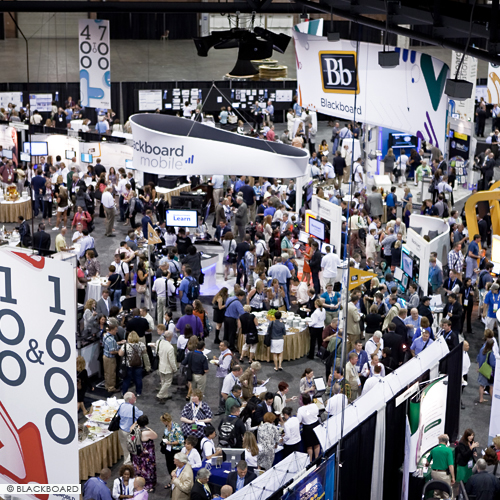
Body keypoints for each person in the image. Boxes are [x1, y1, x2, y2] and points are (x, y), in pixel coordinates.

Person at [130, 415, 158, 493]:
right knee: (147, 469)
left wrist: (136, 423)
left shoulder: (133, 429)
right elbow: (155, 435)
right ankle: (148, 486)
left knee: (138, 468)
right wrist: (148, 427)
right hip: (146, 456)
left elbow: (131, 428)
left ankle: (138, 484)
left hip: (136, 454)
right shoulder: (147, 432)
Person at [119, 331, 146, 397]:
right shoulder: (141, 344)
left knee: (127, 379)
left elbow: (120, 354)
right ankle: (138, 392)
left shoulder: (126, 345)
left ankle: (124, 392)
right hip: (139, 364)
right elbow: (144, 352)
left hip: (128, 365)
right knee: (138, 378)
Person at [156, 328, 176, 403]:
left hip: (161, 365)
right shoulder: (170, 348)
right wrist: (174, 368)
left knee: (163, 381)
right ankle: (160, 395)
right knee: (167, 382)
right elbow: (172, 360)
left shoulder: (159, 342)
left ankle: (165, 395)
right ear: (170, 337)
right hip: (168, 368)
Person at [297, 394, 320, 461]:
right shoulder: (314, 405)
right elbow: (317, 413)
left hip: (307, 428)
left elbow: (299, 420)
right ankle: (316, 459)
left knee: (309, 445)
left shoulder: (300, 409)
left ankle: (310, 461)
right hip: (316, 425)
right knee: (316, 443)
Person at [477, 339, 496, 404]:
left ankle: (481, 399)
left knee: (482, 385)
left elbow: (478, 358)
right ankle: (493, 402)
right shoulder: (491, 353)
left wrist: (478, 367)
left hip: (482, 370)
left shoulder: (482, 350)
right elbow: (493, 364)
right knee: (491, 386)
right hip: (488, 372)